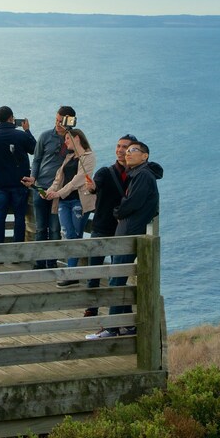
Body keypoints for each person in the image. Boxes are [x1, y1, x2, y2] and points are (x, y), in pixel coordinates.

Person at [87, 140, 164, 339]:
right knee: (118, 278)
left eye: (133, 151)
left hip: (129, 232)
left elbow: (133, 203)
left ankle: (112, 329)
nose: (128, 154)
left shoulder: (143, 175)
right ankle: (127, 325)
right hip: (127, 230)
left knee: (116, 280)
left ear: (145, 156)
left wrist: (118, 211)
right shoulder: (138, 174)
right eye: (126, 151)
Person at [81, 134, 138, 315]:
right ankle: (92, 307)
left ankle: (120, 311)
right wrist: (90, 188)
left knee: (118, 272)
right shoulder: (105, 172)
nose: (120, 150)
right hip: (101, 227)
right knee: (94, 271)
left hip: (122, 229)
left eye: (125, 147)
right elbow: (94, 186)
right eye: (119, 146)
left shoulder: (136, 175)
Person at [44, 128, 96, 286]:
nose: (65, 142)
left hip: (79, 201)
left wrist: (59, 193)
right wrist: (49, 192)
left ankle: (71, 273)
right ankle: (72, 273)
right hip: (64, 201)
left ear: (77, 138)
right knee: (67, 234)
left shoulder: (89, 156)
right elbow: (59, 178)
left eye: (67, 138)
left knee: (75, 235)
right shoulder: (68, 157)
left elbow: (79, 180)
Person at [25, 106, 76, 268]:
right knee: (40, 229)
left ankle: (52, 262)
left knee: (55, 229)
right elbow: (37, 159)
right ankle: (40, 262)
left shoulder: (74, 139)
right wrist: (33, 177)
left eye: (62, 121)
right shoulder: (46, 136)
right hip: (40, 187)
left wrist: (71, 135)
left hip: (59, 191)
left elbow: (81, 157)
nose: (58, 124)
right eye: (57, 120)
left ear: (71, 121)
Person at [0, 106, 37, 244]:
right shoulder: (22, 136)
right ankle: (17, 253)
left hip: (0, 185)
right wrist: (27, 130)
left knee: (0, 216)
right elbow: (34, 149)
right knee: (19, 217)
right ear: (11, 118)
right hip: (20, 184)